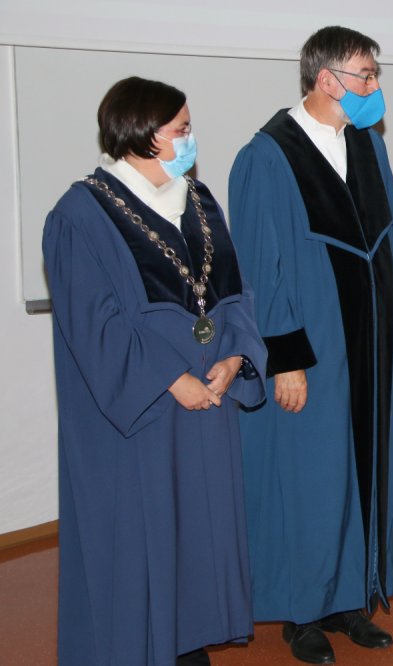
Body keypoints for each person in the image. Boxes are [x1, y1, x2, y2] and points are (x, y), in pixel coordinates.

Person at [228, 26, 393, 665]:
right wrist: (284, 358)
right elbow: (260, 268)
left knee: (362, 470)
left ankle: (351, 597)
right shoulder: (267, 155)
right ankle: (304, 612)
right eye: (365, 76)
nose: (374, 87)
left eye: (375, 75)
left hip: (371, 341)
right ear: (327, 80)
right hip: (314, 344)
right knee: (312, 477)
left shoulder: (366, 145)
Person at [43, 76, 267, 665]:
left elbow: (236, 291)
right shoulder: (80, 214)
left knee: (197, 533)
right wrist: (171, 379)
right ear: (143, 133)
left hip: (206, 399)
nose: (191, 139)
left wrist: (235, 355)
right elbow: (95, 325)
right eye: (181, 129)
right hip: (143, 410)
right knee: (142, 535)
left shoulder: (199, 200)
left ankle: (185, 642)